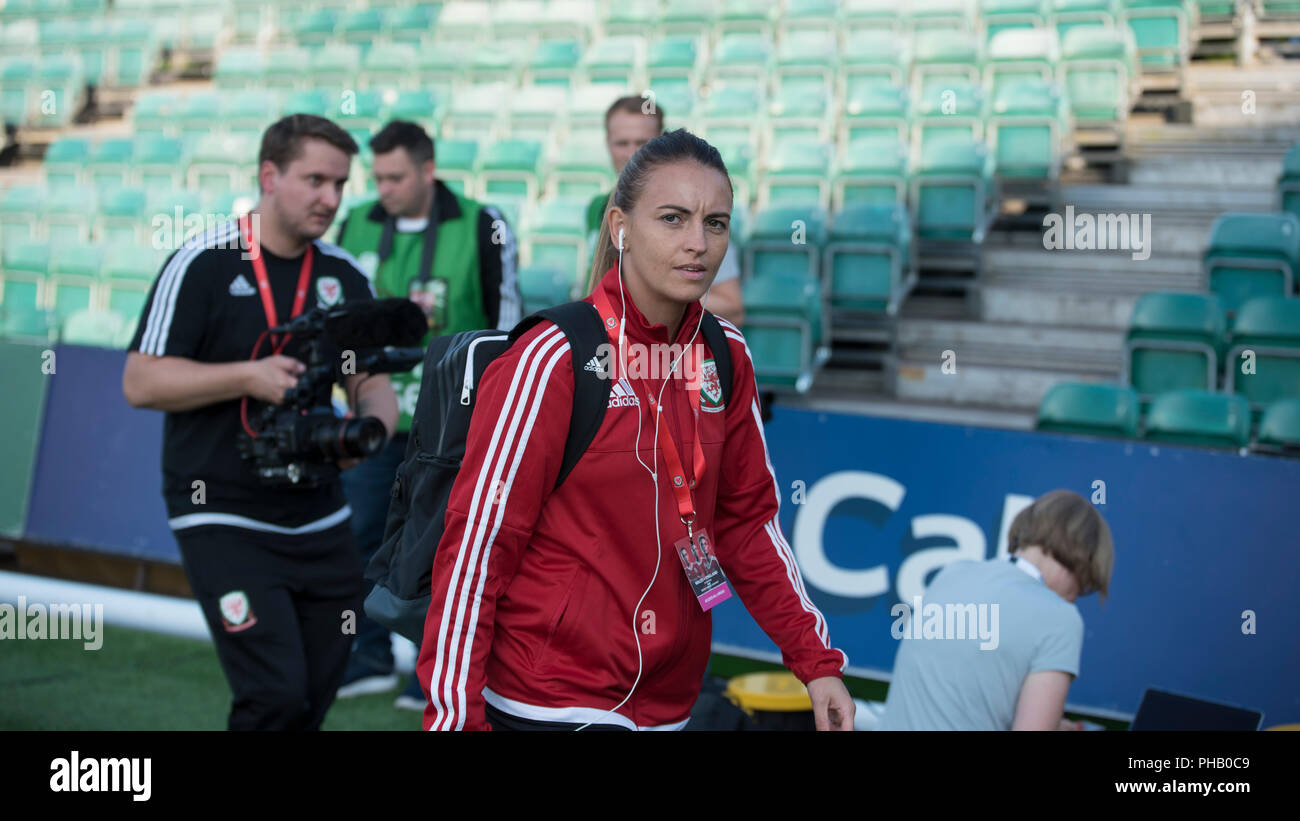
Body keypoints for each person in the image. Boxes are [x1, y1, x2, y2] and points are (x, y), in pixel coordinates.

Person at [416, 129, 853, 731]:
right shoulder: (554, 355)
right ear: (620, 225)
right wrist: (453, 718)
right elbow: (478, 545)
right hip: (549, 698)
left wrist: (815, 660)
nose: (697, 244)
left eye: (716, 223)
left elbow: (748, 523)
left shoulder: (728, 356)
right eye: (673, 219)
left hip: (668, 702)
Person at [122, 114, 399, 730]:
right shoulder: (203, 262)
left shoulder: (343, 274)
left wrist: (369, 431)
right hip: (221, 509)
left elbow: (370, 382)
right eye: (316, 180)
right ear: (269, 177)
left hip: (319, 512)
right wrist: (244, 377)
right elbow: (140, 382)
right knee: (273, 694)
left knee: (317, 690)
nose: (331, 198)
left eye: (340, 184)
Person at [334, 120, 522, 711]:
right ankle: (363, 658)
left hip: (454, 422)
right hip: (377, 414)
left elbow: (508, 324)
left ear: (427, 169)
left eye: (395, 176)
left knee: (446, 547)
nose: (383, 188)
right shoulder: (355, 223)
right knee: (360, 533)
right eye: (377, 176)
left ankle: (433, 673)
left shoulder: (483, 223)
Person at [877, 490, 1115, 731]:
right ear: (1082, 560)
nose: (1074, 598)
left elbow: (958, 702)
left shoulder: (951, 574)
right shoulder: (1060, 617)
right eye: (1084, 587)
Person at [586, 96, 745, 327]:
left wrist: (660, 300)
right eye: (622, 143)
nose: (631, 153)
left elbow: (733, 307)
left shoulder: (703, 206)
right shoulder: (595, 207)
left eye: (642, 143)